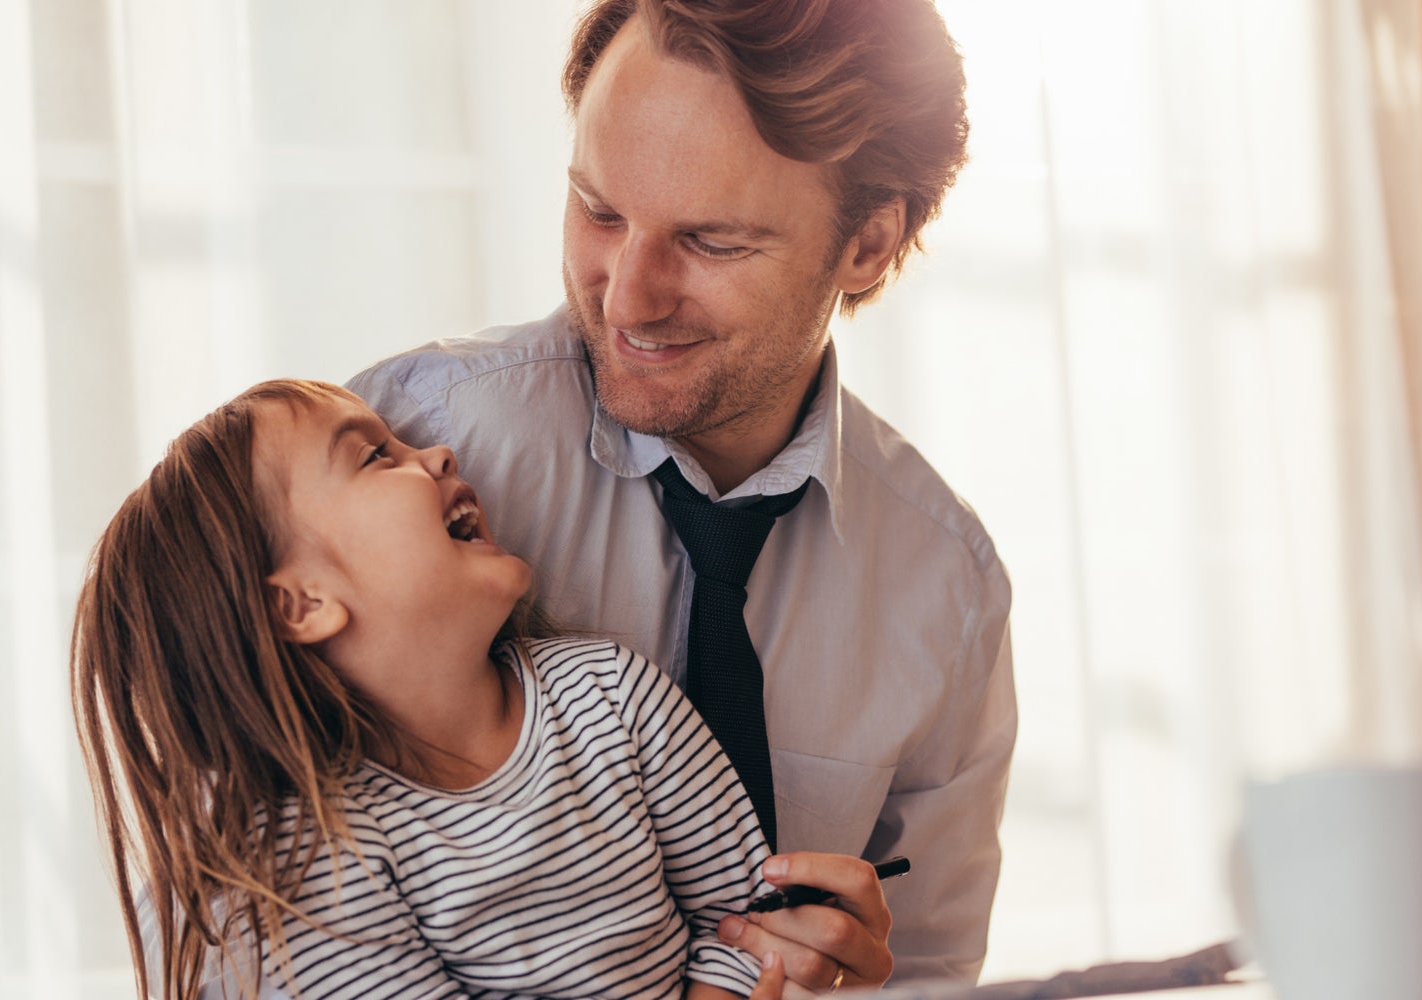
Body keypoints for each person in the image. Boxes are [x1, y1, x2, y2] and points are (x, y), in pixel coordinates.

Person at [349, 0, 1015, 989]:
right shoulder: (409, 447)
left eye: (711, 242)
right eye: (598, 209)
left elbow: (925, 972)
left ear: (866, 246)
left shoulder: (942, 590)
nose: (625, 296)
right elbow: (229, 888)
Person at [72, 379, 810, 1000]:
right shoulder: (313, 855)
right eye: (373, 457)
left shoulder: (611, 694)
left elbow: (752, 920)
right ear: (300, 605)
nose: (437, 454)